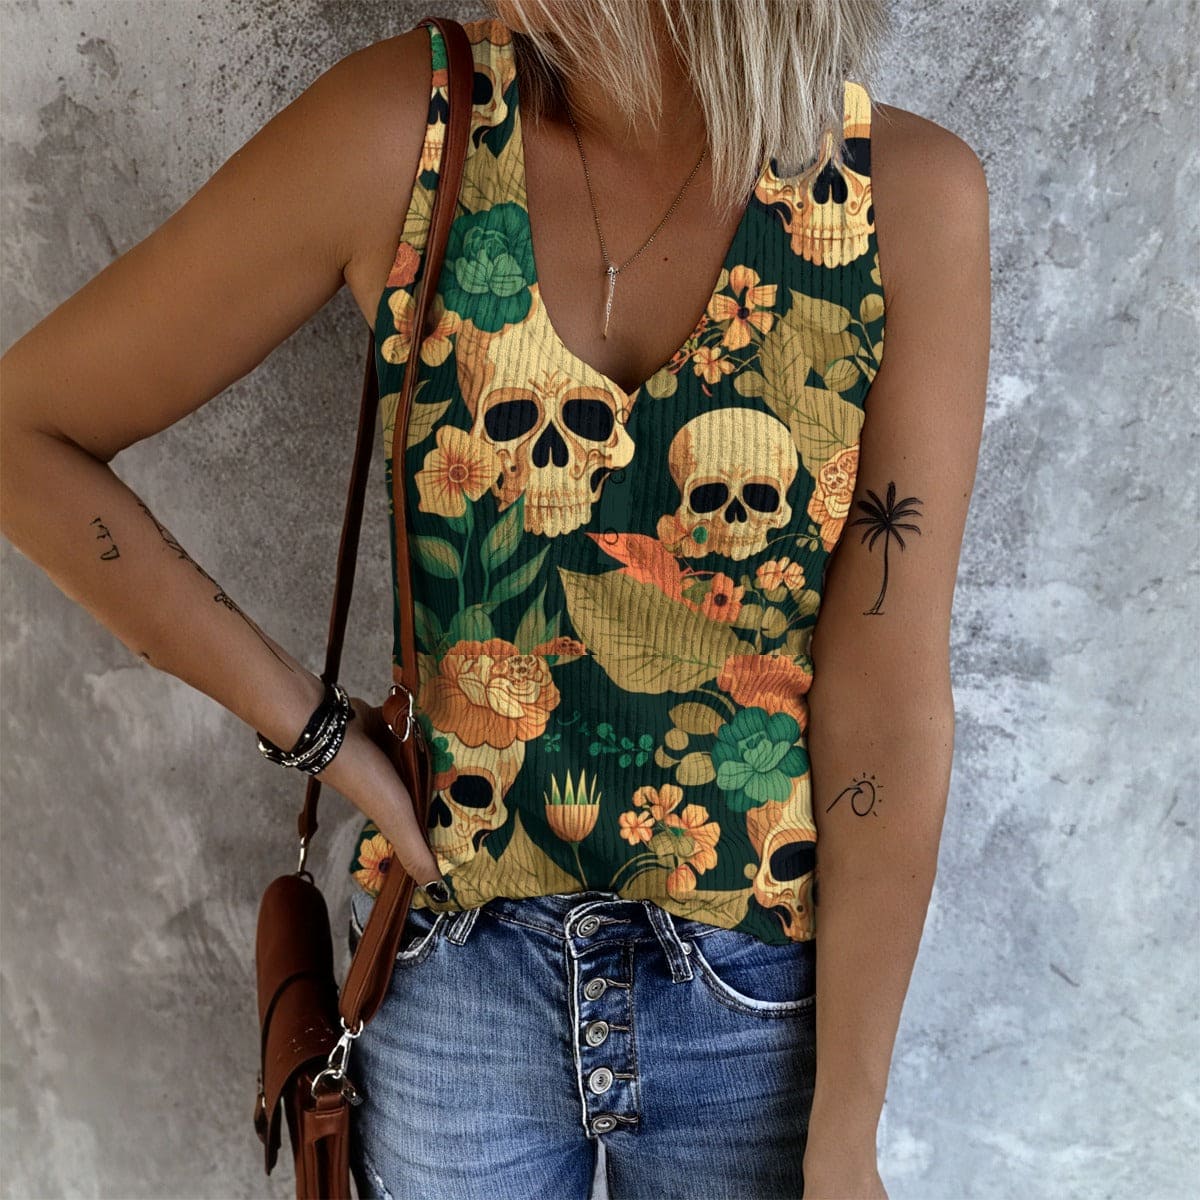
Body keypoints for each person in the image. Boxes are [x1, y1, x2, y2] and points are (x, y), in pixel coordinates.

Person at [0, 1, 990, 1196]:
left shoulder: (906, 204)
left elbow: (886, 694)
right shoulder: (412, 136)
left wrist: (850, 1128)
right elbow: (24, 434)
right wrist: (319, 735)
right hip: (455, 974)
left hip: (763, 1004)